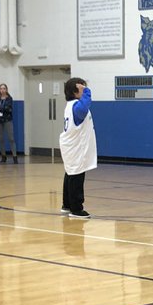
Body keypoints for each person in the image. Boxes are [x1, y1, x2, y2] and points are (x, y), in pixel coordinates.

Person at [59, 77, 96, 219]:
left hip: (71, 145)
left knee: (70, 173)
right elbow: (85, 106)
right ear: (76, 91)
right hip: (75, 146)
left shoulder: (71, 105)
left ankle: (67, 204)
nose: (84, 89)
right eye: (81, 87)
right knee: (77, 176)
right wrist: (87, 91)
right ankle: (76, 208)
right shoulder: (77, 106)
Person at [0, 83, 18, 162]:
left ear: (6, 90)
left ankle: (14, 156)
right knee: (1, 139)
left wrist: (1, 108)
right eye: (1, 88)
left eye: (4, 88)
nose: (2, 90)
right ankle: (3, 156)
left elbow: (9, 108)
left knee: (11, 138)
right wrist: (2, 108)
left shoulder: (9, 99)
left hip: (7, 120)